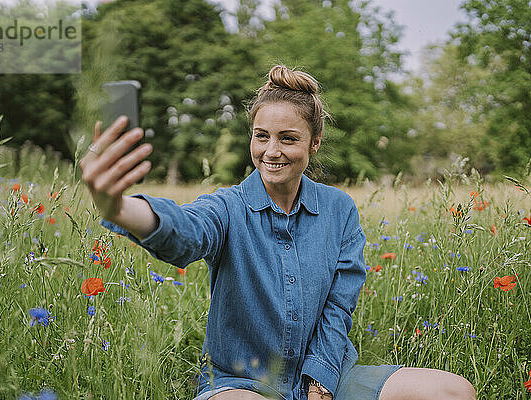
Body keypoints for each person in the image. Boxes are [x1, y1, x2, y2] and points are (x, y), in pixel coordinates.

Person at [80, 65, 477, 400]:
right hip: (243, 383)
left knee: (455, 391)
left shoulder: (339, 210)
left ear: (314, 143)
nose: (271, 151)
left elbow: (339, 306)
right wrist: (116, 205)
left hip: (331, 378)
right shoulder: (229, 206)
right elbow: (185, 231)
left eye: (288, 139)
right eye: (261, 136)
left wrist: (320, 377)